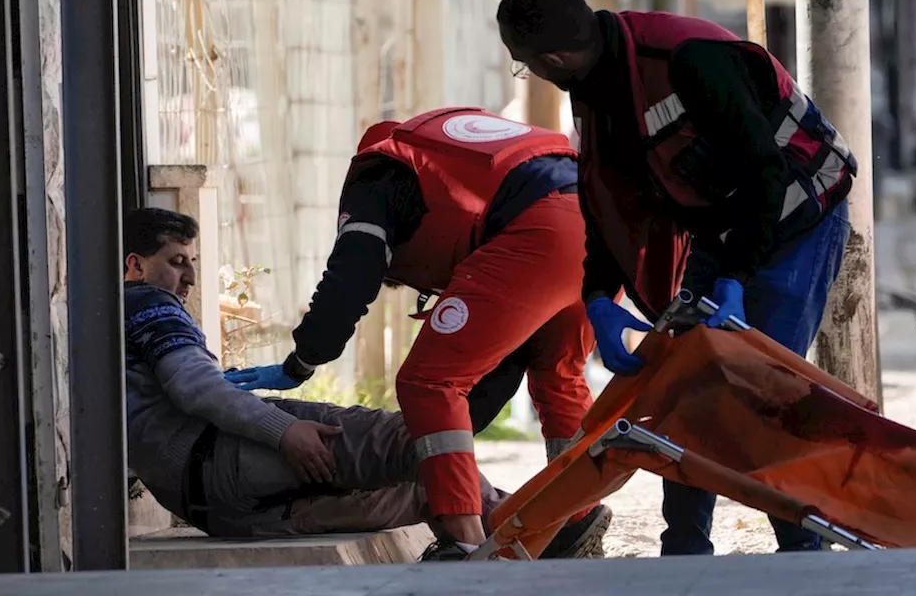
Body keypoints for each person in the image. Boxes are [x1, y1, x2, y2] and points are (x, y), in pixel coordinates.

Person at [496, 0, 857, 556]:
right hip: (719, 225)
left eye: (523, 65)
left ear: (551, 59)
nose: (528, 74)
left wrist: (735, 281)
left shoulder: (687, 59)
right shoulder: (592, 87)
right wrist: (598, 299)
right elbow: (604, 203)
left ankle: (804, 558)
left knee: (763, 395)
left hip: (796, 216)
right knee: (683, 391)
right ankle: (684, 553)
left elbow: (764, 175)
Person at [223, 108, 611, 560]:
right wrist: (425, 447)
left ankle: (462, 540)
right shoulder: (452, 161)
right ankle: (576, 518)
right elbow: (491, 376)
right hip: (598, 224)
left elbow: (351, 277)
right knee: (557, 375)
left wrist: (303, 360)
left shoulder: (377, 176)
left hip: (541, 230)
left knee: (427, 382)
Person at [122, 207, 600, 556]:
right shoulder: (148, 304)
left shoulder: (107, 328)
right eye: (176, 261)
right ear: (134, 266)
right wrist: (281, 429)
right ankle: (545, 534)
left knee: (430, 492)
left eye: (191, 262)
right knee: (417, 442)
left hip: (217, 509)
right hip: (223, 461)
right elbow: (194, 387)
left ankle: (531, 543)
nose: (187, 277)